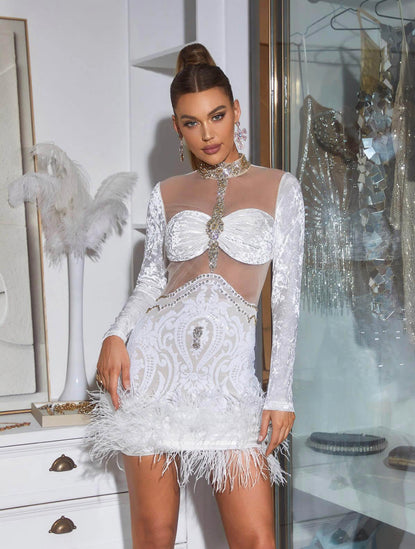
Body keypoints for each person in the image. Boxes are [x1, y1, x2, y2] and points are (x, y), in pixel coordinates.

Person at [85, 43, 304, 549]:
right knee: (155, 534)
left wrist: (280, 393)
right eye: (191, 122)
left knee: (256, 539)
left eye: (217, 116)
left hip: (229, 379)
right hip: (153, 370)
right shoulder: (165, 192)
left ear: (236, 111)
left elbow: (286, 301)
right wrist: (116, 335)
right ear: (177, 127)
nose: (207, 134)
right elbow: (150, 282)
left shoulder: (280, 187)